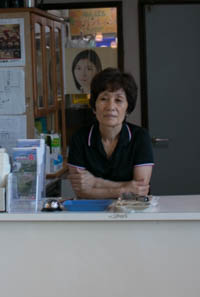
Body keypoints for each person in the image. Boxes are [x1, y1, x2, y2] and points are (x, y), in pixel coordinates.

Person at [66, 68, 154, 199]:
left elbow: (139, 190)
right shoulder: (80, 138)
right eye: (104, 99)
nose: (110, 106)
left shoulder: (140, 137)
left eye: (118, 100)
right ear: (94, 106)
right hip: (91, 213)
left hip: (132, 212)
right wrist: (125, 188)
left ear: (128, 108)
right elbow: (81, 191)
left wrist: (96, 183)